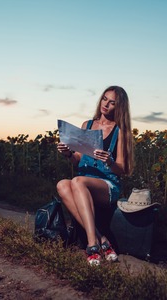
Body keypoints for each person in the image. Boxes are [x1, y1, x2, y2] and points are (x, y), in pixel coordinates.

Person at [56, 85, 134, 265]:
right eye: (105, 99)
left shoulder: (120, 131)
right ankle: (102, 240)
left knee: (77, 181)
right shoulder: (87, 125)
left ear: (119, 107)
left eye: (112, 102)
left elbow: (123, 169)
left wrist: (110, 161)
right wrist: (68, 153)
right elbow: (78, 159)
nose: (106, 104)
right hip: (82, 180)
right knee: (62, 184)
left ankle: (92, 245)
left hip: (107, 184)